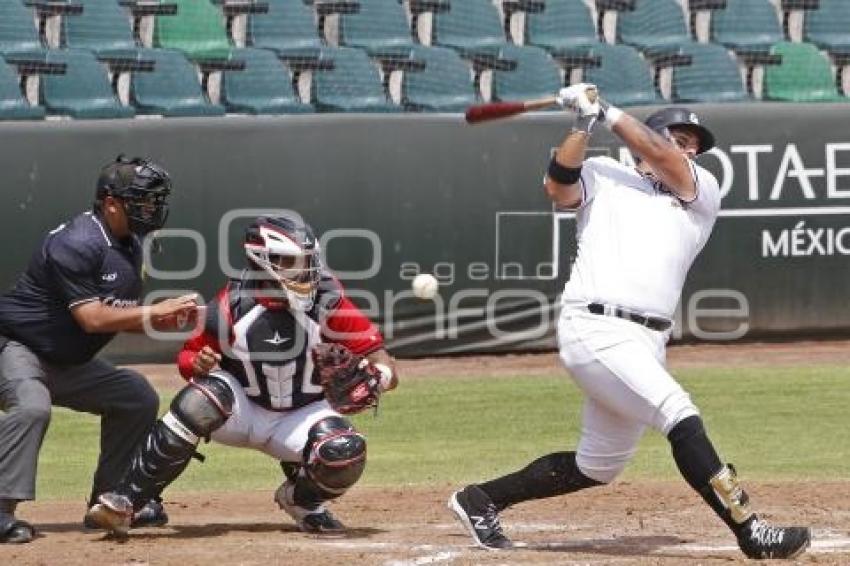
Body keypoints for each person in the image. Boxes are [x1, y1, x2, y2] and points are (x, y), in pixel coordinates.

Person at [448, 85, 811, 560]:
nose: (688, 149)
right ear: (647, 135)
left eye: (693, 145)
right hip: (595, 327)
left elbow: (665, 158)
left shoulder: (698, 192)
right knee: (678, 413)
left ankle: (481, 499)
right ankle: (750, 531)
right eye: (679, 138)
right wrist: (583, 123)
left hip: (648, 339)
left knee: (598, 465)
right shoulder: (604, 173)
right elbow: (558, 186)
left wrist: (608, 110)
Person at [85, 213, 398, 536]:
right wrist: (199, 363)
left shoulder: (331, 303)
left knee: (345, 450)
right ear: (264, 261)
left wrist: (380, 377)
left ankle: (303, 502)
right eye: (293, 262)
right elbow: (187, 358)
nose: (306, 271)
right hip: (243, 410)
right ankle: (129, 501)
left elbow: (384, 362)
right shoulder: (229, 306)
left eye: (308, 261)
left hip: (301, 415)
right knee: (200, 400)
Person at [0, 156, 198, 544]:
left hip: (62, 358)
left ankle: (111, 503)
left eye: (154, 200)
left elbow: (118, 313)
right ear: (110, 203)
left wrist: (157, 319)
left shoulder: (131, 241)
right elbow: (91, 318)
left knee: (135, 396)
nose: (152, 209)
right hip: (13, 345)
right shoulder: (76, 242)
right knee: (32, 406)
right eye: (142, 201)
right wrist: (154, 311)